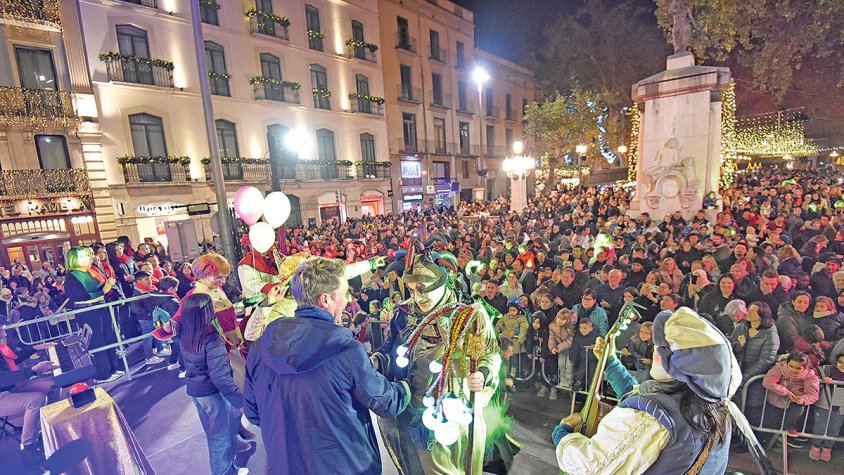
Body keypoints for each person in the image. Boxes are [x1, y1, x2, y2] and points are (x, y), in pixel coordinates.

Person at [553, 307, 772, 475]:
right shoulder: (714, 403)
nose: (655, 351)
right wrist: (610, 363)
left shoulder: (654, 419)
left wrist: (564, 435)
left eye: (661, 348)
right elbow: (640, 396)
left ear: (679, 365)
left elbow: (591, 466)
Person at [244, 257, 411, 475]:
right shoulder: (347, 351)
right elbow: (387, 403)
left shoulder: (260, 348)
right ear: (325, 299)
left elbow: (253, 413)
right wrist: (407, 385)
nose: (347, 300)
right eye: (344, 293)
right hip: (347, 467)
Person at [179, 293, 249, 475]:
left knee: (215, 435)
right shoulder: (211, 339)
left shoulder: (186, 333)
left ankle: (229, 468)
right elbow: (220, 377)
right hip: (213, 394)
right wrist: (239, 401)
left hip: (197, 392)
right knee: (221, 438)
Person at [63, 246, 122, 383]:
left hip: (102, 307)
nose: (87, 258)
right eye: (82, 256)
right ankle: (103, 373)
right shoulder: (72, 276)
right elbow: (80, 297)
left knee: (109, 338)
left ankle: (112, 368)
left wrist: (107, 288)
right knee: (98, 341)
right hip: (88, 312)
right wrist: (103, 290)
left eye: (87, 255)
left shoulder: (92, 270)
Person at [761, 351, 820, 438]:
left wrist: (802, 399)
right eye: (791, 366)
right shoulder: (779, 367)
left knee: (798, 409)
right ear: (787, 363)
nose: (794, 370)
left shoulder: (810, 374)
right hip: (776, 400)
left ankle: (789, 427)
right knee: (771, 425)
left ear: (805, 367)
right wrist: (786, 392)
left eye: (798, 368)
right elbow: (768, 382)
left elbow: (813, 394)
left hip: (795, 404)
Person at [809, 354, 844, 462]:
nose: (842, 365)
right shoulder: (827, 370)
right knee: (819, 427)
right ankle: (816, 446)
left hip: (840, 408)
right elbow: (813, 375)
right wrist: (823, 379)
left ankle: (827, 448)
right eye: (840, 362)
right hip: (824, 404)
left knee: (834, 429)